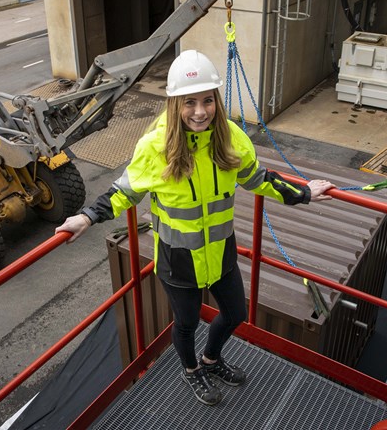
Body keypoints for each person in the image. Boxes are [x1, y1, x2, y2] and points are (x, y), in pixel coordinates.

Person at [56, 50, 334, 406]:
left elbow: (258, 179)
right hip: (177, 260)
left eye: (207, 100)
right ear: (175, 103)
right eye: (189, 102)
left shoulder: (230, 138)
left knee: (236, 314)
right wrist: (87, 216)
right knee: (186, 324)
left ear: (216, 100)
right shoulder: (155, 147)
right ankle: (191, 371)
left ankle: (211, 360)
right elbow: (123, 192)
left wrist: (304, 193)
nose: (200, 111)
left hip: (220, 253)